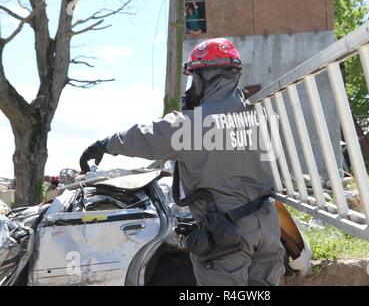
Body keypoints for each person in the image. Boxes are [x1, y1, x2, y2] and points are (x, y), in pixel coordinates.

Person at [79, 38, 285, 286]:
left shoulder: (190, 124)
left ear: (207, 77)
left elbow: (145, 136)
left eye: (194, 78)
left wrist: (104, 144)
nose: (191, 87)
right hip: (269, 227)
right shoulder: (266, 119)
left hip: (226, 235)